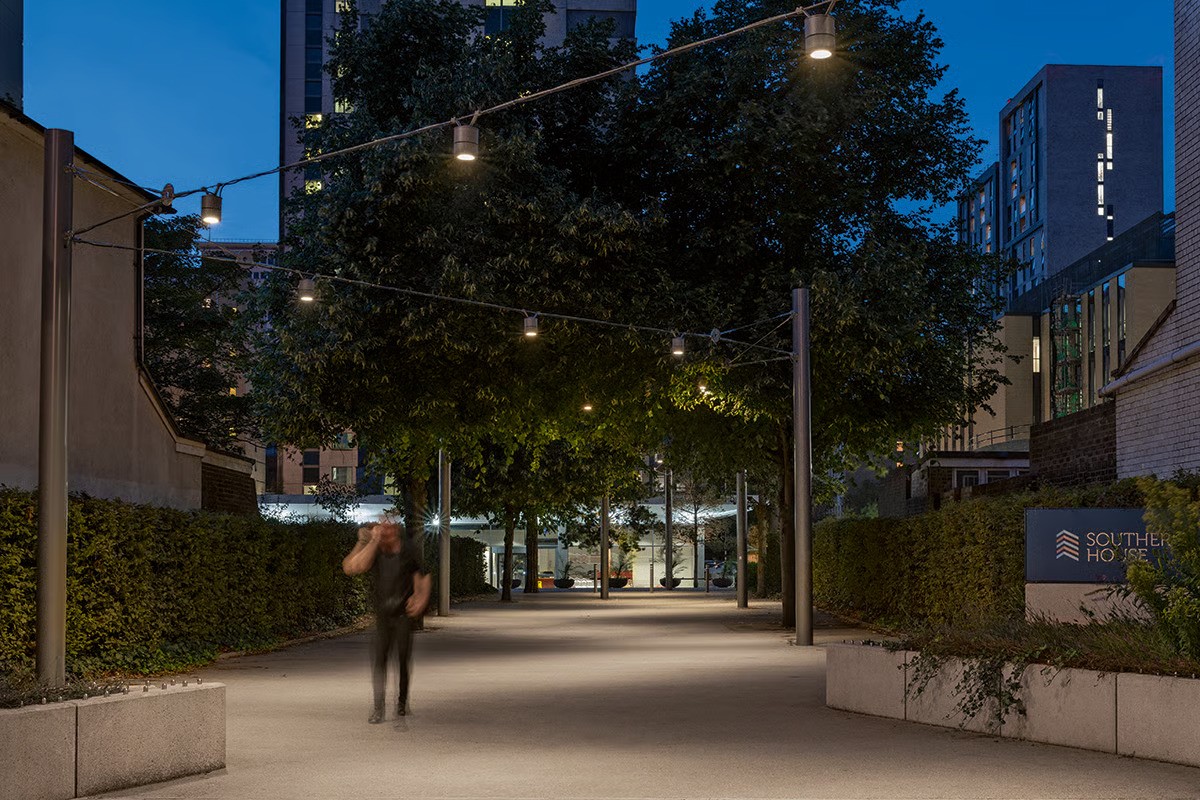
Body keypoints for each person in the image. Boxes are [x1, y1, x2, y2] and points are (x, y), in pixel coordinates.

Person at [343, 521, 431, 723]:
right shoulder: (376, 551)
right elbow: (352, 567)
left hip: (402, 615)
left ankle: (401, 703)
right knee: (379, 661)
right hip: (382, 615)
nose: (386, 532)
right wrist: (371, 541)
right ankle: (378, 708)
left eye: (390, 529)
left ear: (397, 531)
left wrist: (419, 598)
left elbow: (423, 577)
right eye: (382, 530)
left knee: (402, 659)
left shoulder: (408, 551)